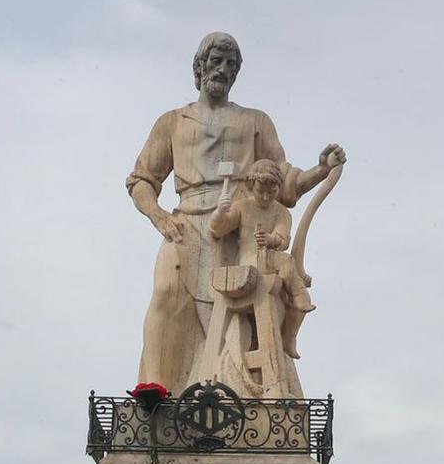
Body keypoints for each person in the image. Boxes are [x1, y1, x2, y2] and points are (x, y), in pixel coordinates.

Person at [128, 32, 343, 391]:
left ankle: (233, 392)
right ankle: (156, 394)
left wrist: (319, 170)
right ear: (199, 67)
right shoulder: (172, 122)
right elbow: (141, 181)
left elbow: (284, 182)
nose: (222, 69)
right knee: (166, 294)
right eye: (215, 61)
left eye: (230, 64)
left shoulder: (255, 121)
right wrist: (160, 216)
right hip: (185, 225)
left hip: (239, 231)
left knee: (237, 321)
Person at [208, 158, 315, 361]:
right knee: (286, 265)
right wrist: (220, 212)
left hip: (272, 257)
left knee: (285, 263)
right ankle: (298, 295)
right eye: (260, 191)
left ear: (278, 188)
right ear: (251, 186)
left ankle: (289, 337)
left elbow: (283, 239)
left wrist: (270, 239)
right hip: (249, 261)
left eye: (272, 192)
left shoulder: (281, 212)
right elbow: (218, 229)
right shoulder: (242, 207)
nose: (266, 196)